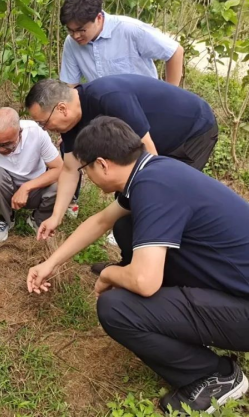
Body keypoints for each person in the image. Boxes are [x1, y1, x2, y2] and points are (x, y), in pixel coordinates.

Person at [27, 117, 249, 414]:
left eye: (85, 169)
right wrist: (50, 263)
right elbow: (101, 221)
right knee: (126, 227)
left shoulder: (154, 188)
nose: (87, 176)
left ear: (102, 164)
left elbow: (145, 281)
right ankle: (179, 321)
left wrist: (110, 274)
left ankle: (216, 377)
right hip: (234, 286)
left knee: (116, 308)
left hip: (243, 309)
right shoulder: (155, 172)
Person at [25, 74, 218, 272]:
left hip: (190, 133)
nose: (45, 129)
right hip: (153, 143)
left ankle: (159, 271)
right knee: (125, 208)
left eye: (44, 123)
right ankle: (129, 265)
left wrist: (142, 197)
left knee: (159, 203)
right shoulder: (70, 123)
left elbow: (149, 157)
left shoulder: (108, 97)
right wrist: (56, 216)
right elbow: (69, 168)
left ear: (61, 108)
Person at [0, 107, 62, 254]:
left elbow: (59, 169)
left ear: (20, 132)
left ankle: (38, 219)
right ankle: (6, 218)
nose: (2, 149)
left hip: (36, 190)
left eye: (8, 144)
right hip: (7, 192)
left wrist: (27, 187)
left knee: (62, 183)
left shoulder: (36, 132)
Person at [59, 0, 184, 87]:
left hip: (144, 103)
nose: (75, 36)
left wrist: (169, 97)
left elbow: (175, 52)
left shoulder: (130, 30)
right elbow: (71, 86)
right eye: (70, 30)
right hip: (105, 108)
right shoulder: (71, 43)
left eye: (81, 30)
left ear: (98, 18)